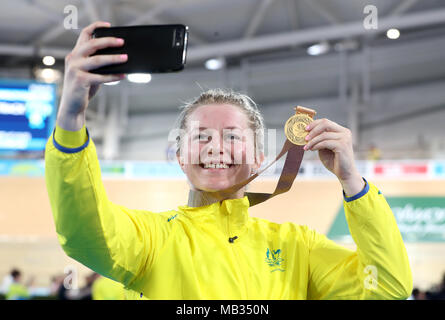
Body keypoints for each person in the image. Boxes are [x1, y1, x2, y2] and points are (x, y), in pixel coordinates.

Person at [45, 21, 412, 299]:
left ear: (259, 158)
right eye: (201, 136)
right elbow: (84, 234)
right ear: (179, 155)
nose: (215, 147)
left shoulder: (298, 246)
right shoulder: (152, 239)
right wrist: (71, 120)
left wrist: (354, 184)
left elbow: (387, 289)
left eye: (233, 137)